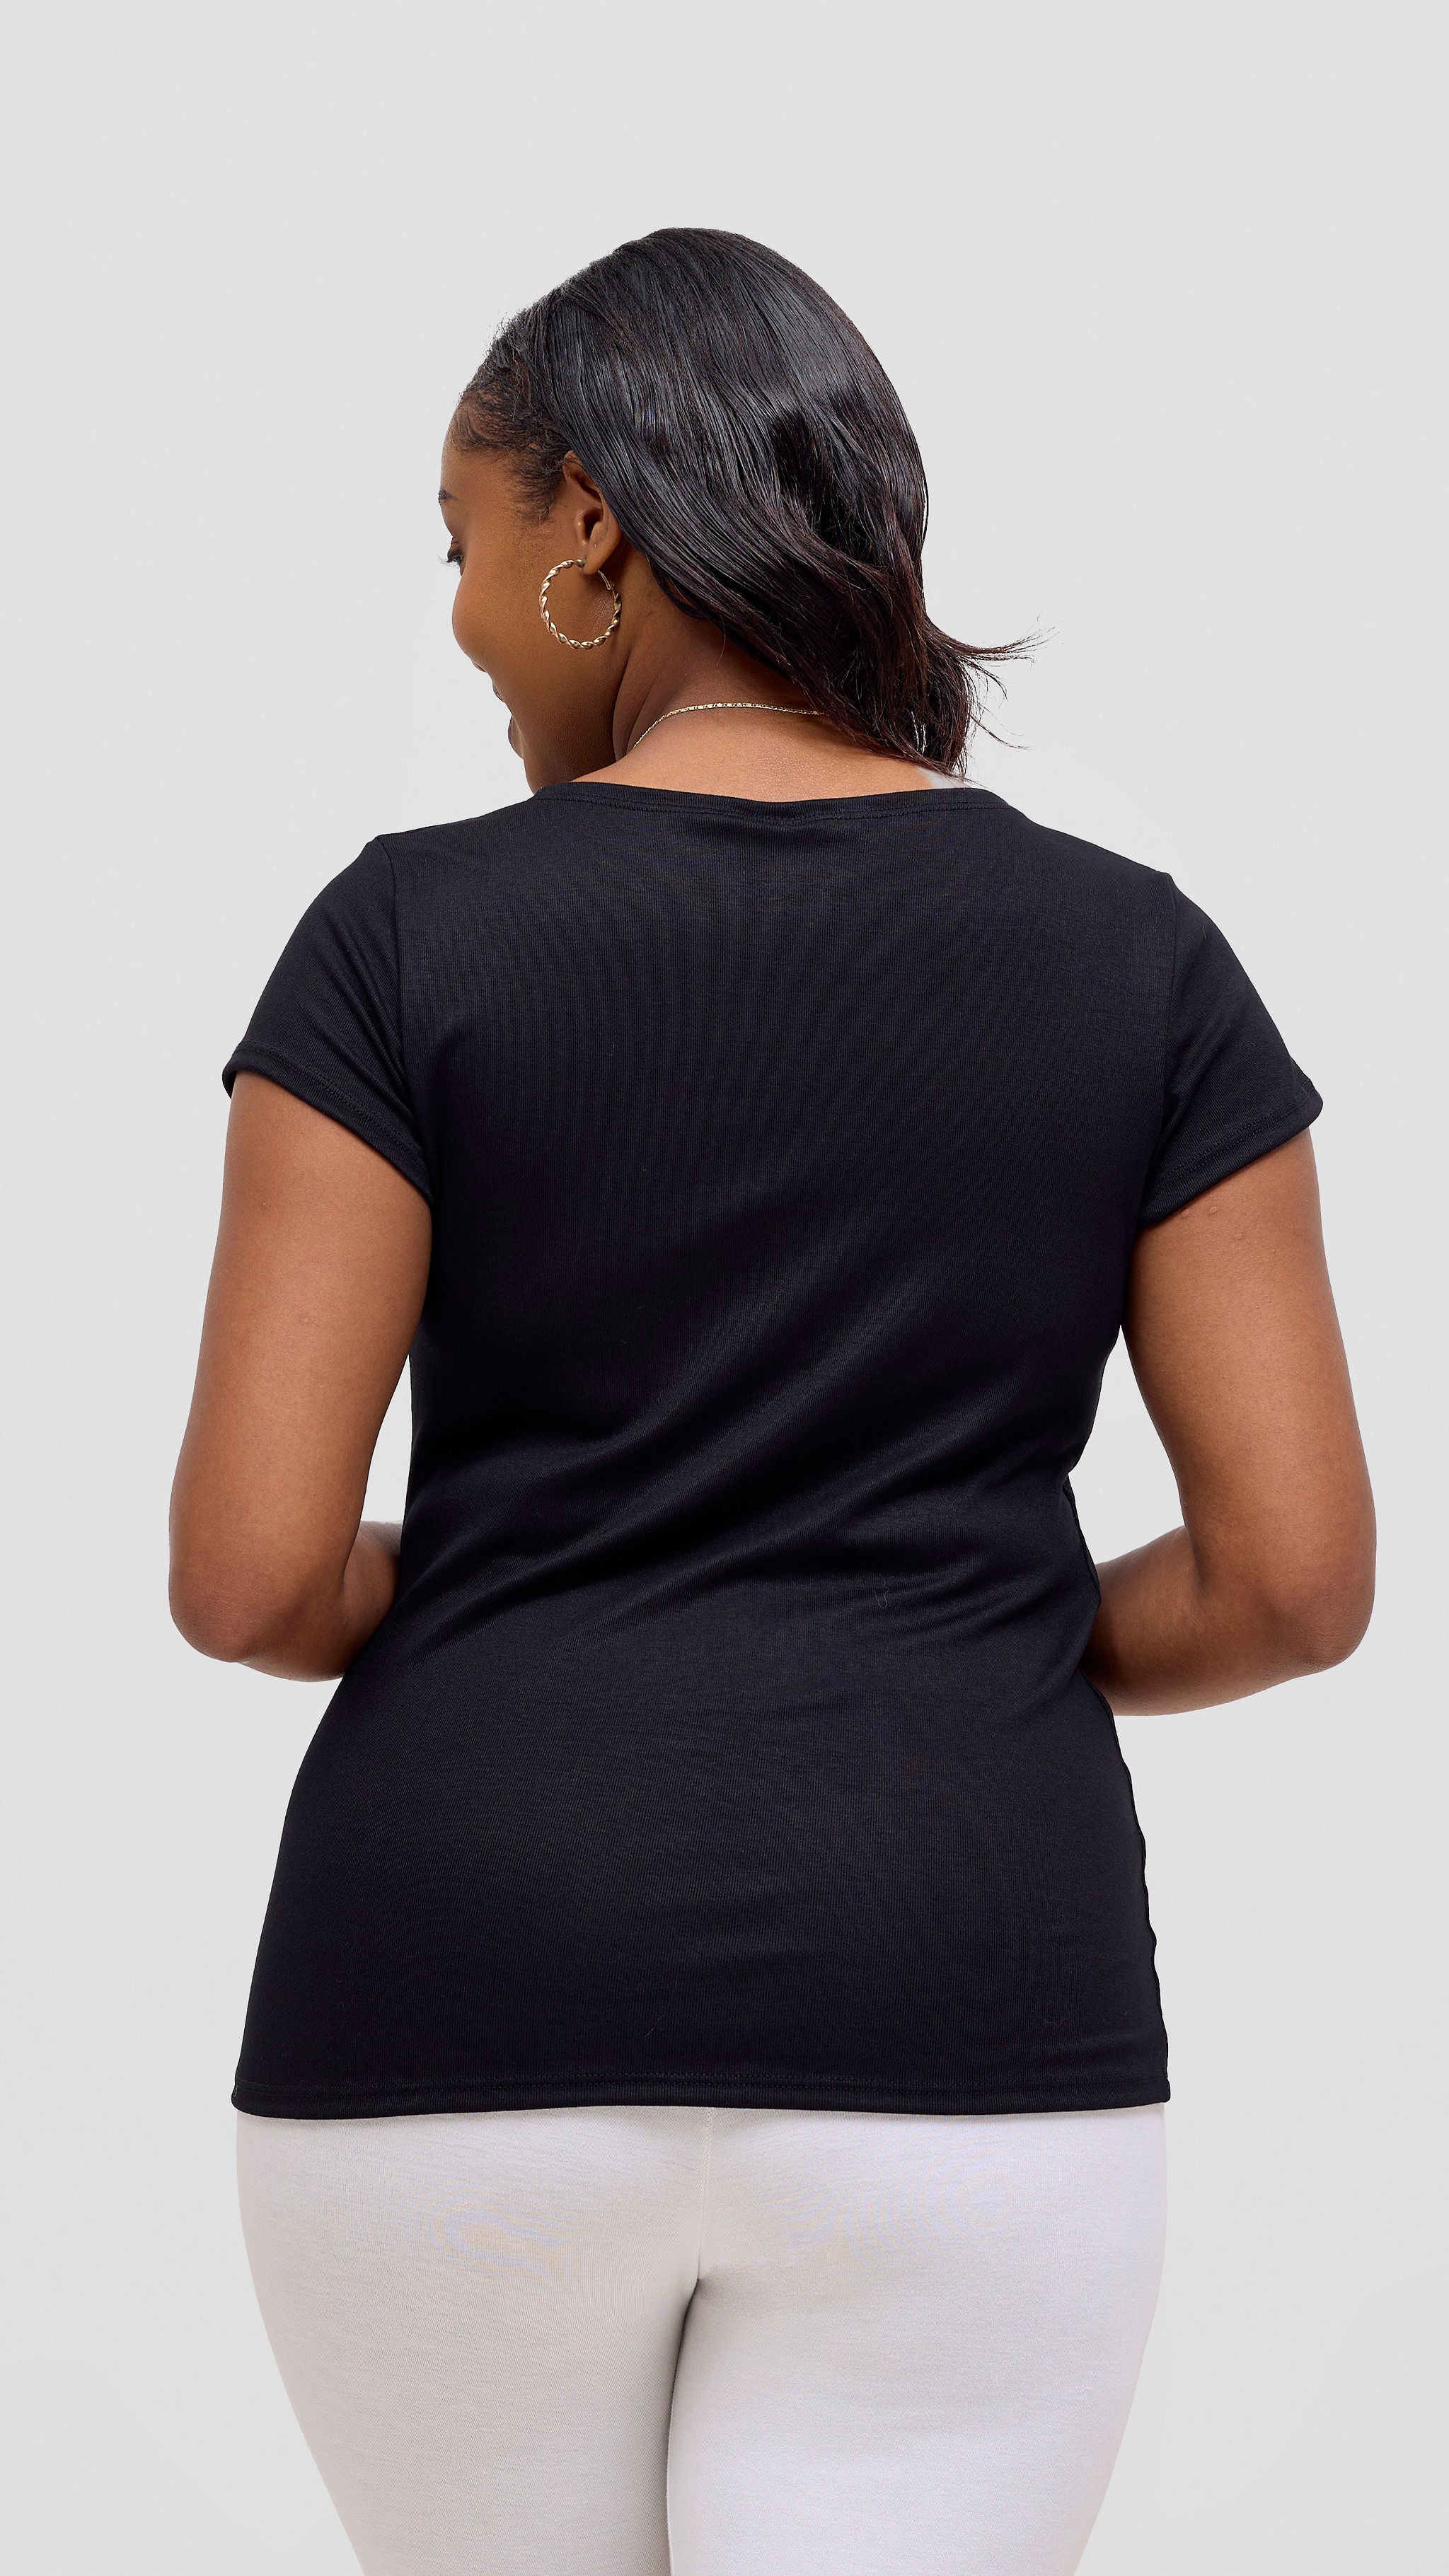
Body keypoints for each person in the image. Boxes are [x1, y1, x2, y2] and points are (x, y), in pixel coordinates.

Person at [169, 228, 1374, 2576]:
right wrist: (951, 1625)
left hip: (454, 2011)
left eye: (462, 541)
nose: (461, 616)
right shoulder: (1142, 961)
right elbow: (1295, 1579)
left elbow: (251, 1575)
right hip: (967, 2011)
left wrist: (543, 1574)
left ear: (591, 529)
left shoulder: (397, 941)